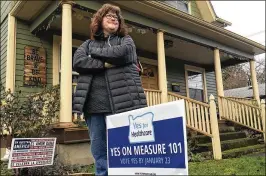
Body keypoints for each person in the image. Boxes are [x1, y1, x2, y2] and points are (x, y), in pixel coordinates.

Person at [72, 3, 147, 176]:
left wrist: (95, 55)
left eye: (117, 17)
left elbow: (125, 54)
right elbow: (78, 62)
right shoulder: (87, 44)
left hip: (124, 105)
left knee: (126, 150)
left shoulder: (125, 40)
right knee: (101, 154)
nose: (114, 18)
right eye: (109, 15)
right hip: (94, 107)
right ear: (99, 20)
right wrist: (105, 63)